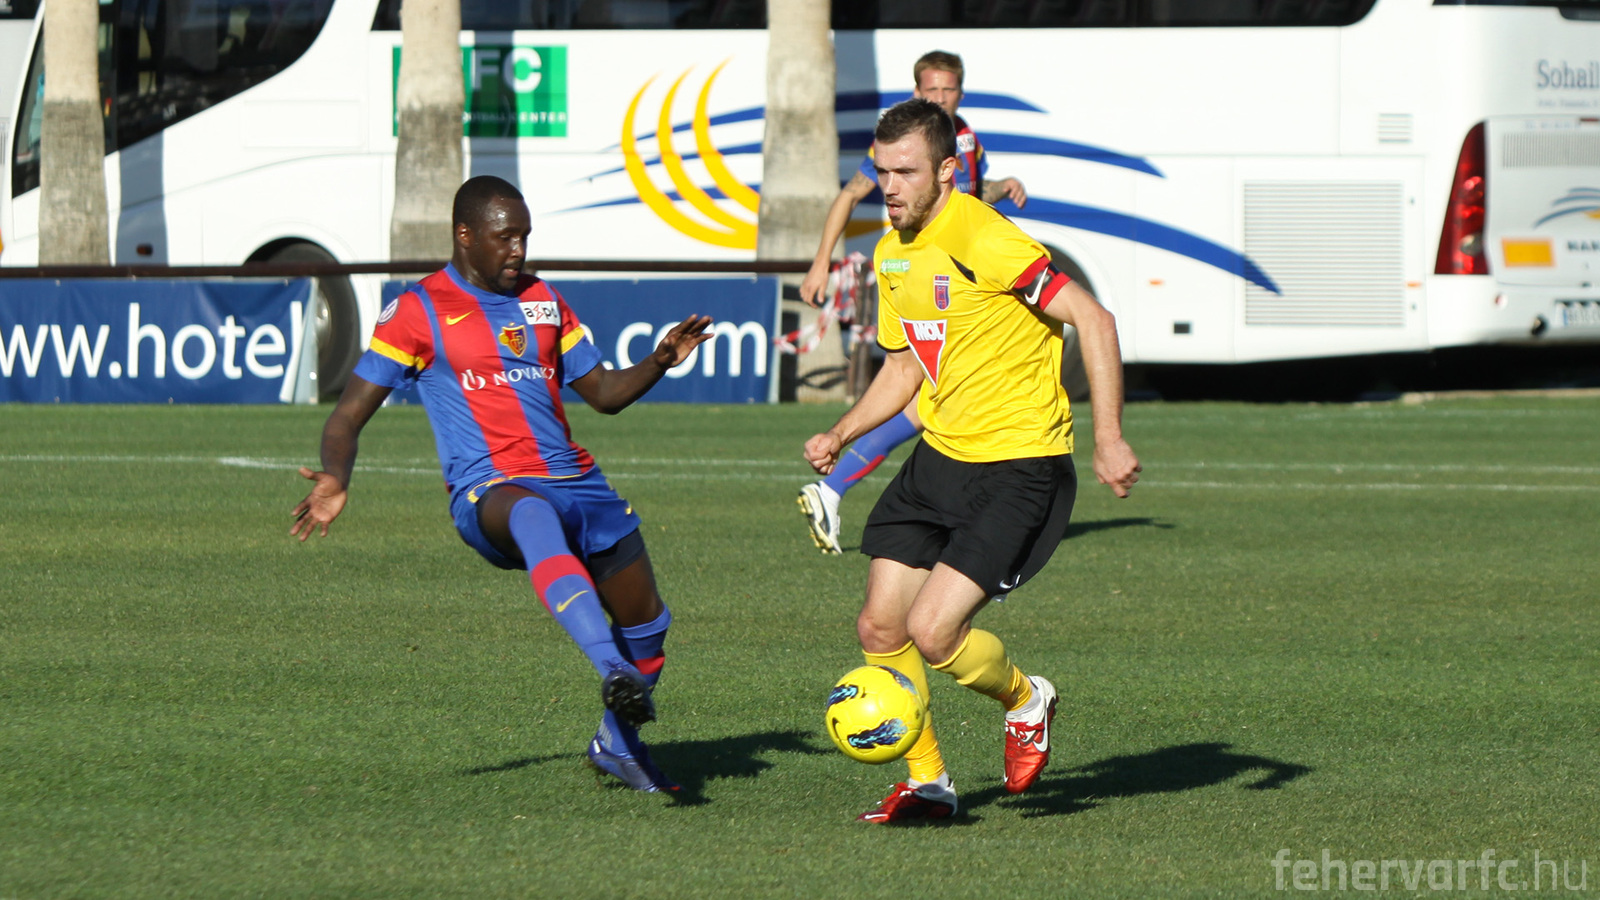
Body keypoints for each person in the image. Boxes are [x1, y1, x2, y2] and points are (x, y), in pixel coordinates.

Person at [290, 175, 712, 794]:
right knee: (532, 514)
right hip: (491, 489)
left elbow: (604, 394)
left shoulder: (543, 299)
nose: (518, 249)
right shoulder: (418, 310)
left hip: (578, 482)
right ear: (465, 235)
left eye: (524, 236)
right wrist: (336, 475)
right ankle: (609, 667)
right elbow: (347, 415)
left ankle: (617, 746)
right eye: (505, 237)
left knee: (648, 624)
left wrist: (659, 360)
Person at [803, 99, 1140, 823]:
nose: (889, 186)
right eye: (882, 171)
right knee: (880, 628)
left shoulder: (985, 236)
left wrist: (1109, 436)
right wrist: (843, 430)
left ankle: (1026, 698)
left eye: (906, 172)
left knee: (933, 632)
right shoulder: (893, 253)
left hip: (1020, 464)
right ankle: (930, 784)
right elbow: (904, 367)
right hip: (940, 458)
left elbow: (1095, 318)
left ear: (947, 172)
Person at [797, 50, 1027, 556]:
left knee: (931, 399)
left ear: (960, 93)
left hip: (963, 275)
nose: (940, 97)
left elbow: (967, 194)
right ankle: (835, 488)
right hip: (923, 273)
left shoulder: (966, 139)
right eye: (931, 89)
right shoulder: (904, 145)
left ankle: (837, 490)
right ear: (917, 91)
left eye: (949, 89)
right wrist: (820, 262)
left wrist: (1000, 188)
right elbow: (850, 195)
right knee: (927, 394)